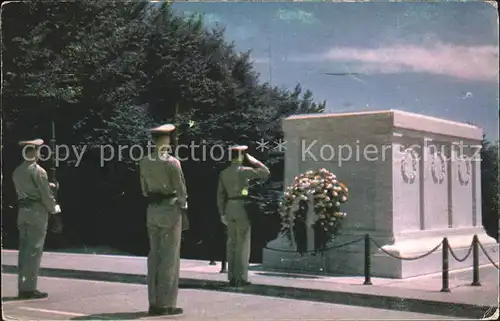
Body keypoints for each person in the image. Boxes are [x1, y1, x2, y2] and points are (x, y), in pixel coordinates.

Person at [139, 124, 187, 316]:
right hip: (169, 208)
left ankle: (153, 302)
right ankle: (166, 304)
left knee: (154, 256)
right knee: (169, 257)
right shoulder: (172, 162)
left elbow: (143, 189)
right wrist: (183, 207)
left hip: (152, 209)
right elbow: (181, 190)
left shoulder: (144, 161)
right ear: (167, 140)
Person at [12, 138, 62, 299]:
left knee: (24, 250)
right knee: (34, 250)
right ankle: (29, 289)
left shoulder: (18, 171)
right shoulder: (39, 171)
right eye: (38, 151)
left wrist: (49, 186)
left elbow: (28, 189)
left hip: (23, 212)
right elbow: (45, 196)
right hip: (36, 213)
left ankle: (23, 285)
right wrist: (55, 211)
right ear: (33, 152)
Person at [217, 145, 270, 286]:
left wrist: (222, 212)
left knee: (231, 243)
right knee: (243, 244)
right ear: (241, 156)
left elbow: (220, 195)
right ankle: (241, 278)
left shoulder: (224, 172)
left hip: (229, 207)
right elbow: (265, 172)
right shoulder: (244, 171)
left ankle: (232, 277)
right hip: (242, 207)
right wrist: (254, 161)